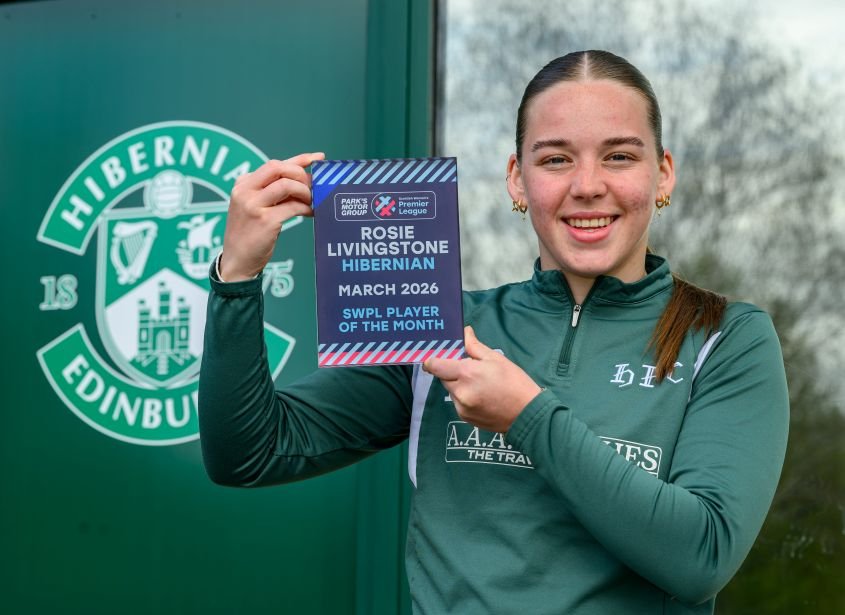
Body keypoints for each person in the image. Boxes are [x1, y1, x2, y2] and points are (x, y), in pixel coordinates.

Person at [199, 50, 789, 614]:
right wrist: (238, 275)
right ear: (517, 180)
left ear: (662, 174)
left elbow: (700, 556)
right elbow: (248, 453)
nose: (587, 185)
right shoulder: (441, 329)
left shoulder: (725, 338)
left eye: (619, 156)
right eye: (555, 159)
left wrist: (528, 416)